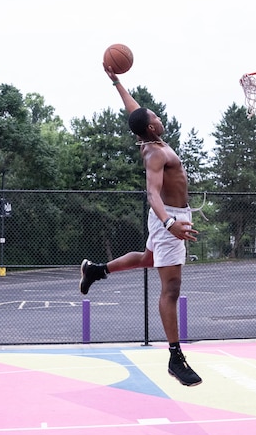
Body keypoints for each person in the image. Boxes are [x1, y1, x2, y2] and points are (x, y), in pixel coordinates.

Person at [79, 65, 202, 386]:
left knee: (148, 259)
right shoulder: (154, 154)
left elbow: (134, 111)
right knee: (171, 290)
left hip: (172, 217)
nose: (160, 117)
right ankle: (175, 358)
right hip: (168, 218)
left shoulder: (149, 136)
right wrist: (171, 222)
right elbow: (152, 193)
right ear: (152, 125)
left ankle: (97, 270)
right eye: (156, 116)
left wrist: (117, 82)